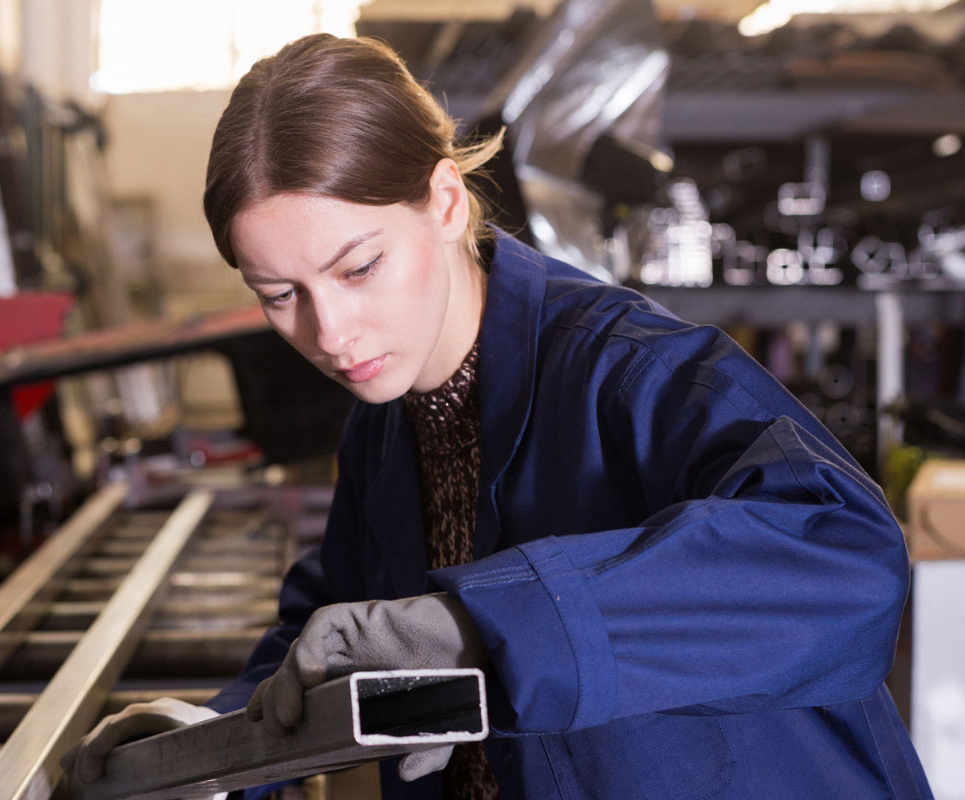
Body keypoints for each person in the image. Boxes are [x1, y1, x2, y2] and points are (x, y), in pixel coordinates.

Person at [63, 34, 932, 799]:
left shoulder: (628, 371)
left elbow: (846, 554)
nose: (330, 332)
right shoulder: (388, 424)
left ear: (444, 202)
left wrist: (482, 626)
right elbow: (344, 628)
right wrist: (211, 738)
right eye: (280, 295)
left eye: (358, 268)